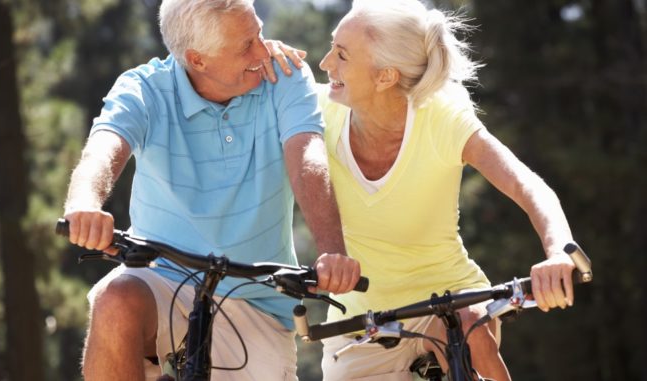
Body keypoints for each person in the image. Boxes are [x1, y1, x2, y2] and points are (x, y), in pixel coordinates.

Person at [267, 0, 579, 380]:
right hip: (359, 320)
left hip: (450, 297)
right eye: (332, 47)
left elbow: (527, 184)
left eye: (342, 55)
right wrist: (262, 55)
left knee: (465, 329)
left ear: (385, 76)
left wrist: (559, 252)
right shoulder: (313, 111)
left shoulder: (442, 117)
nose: (326, 63)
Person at [62, 0, 361, 379]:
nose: (263, 50)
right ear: (197, 59)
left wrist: (332, 249)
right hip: (162, 277)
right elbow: (103, 149)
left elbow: (307, 158)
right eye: (246, 45)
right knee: (115, 301)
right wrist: (84, 202)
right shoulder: (144, 88)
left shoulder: (283, 75)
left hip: (258, 298)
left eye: (259, 34)